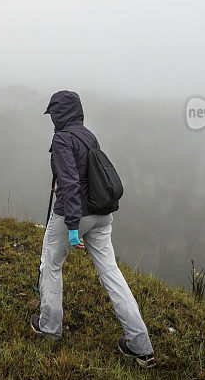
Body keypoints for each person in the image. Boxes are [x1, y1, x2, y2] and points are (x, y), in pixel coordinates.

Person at [30, 90, 155, 369]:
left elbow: (70, 183)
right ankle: (140, 346)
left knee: (51, 265)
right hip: (102, 214)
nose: (52, 120)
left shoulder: (62, 138)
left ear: (59, 113)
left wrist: (72, 226)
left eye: (53, 114)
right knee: (111, 272)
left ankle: (49, 328)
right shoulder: (88, 135)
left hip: (73, 215)